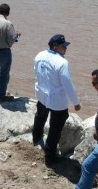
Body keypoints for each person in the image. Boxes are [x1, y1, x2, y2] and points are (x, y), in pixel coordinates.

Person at [32, 34, 81, 166]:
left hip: (42, 94)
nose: (66, 48)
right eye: (63, 46)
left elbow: (36, 72)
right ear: (56, 47)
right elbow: (67, 84)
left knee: (40, 116)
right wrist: (76, 102)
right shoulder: (62, 63)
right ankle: (50, 156)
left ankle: (36, 138)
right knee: (55, 127)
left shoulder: (39, 55)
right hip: (57, 100)